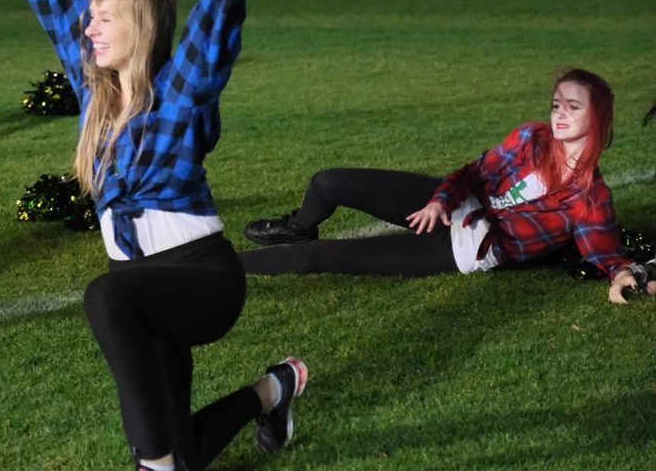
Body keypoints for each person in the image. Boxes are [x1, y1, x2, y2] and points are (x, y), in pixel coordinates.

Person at [26, 0, 306, 471]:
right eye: (89, 17)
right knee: (182, 442)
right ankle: (273, 393)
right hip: (146, 291)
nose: (89, 27)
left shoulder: (178, 93)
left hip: (199, 282)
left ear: (141, 29)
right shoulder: (93, 96)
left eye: (106, 17)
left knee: (104, 296)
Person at [241, 68, 656, 304]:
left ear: (596, 118)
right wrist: (440, 201)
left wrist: (621, 277)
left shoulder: (590, 196)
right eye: (555, 104)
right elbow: (474, 173)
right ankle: (298, 224)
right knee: (327, 182)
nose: (559, 114)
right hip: (452, 205)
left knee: (321, 257)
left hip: (463, 248)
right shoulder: (532, 138)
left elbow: (605, 252)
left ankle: (225, 264)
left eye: (573, 107)